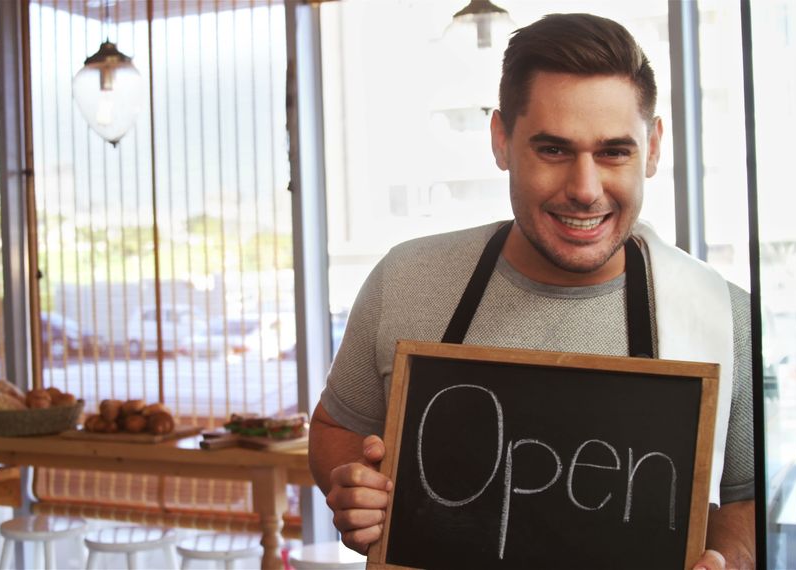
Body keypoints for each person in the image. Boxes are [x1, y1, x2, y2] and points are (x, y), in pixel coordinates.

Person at [308, 12, 755, 570]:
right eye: (553, 150)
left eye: (614, 152)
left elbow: (743, 499)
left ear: (654, 146)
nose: (585, 190)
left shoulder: (724, 317)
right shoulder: (406, 278)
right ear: (501, 140)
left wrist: (730, 561)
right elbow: (336, 426)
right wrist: (352, 486)